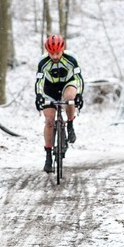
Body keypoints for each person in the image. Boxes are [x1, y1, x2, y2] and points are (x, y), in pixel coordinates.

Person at [35, 34, 84, 173]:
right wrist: (38, 95)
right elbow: (38, 81)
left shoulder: (71, 59)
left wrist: (79, 94)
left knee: (69, 97)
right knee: (49, 121)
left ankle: (70, 124)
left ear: (62, 50)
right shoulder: (43, 62)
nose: (55, 56)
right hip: (49, 89)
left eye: (57, 53)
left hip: (68, 84)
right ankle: (48, 156)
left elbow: (79, 78)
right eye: (51, 53)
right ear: (47, 52)